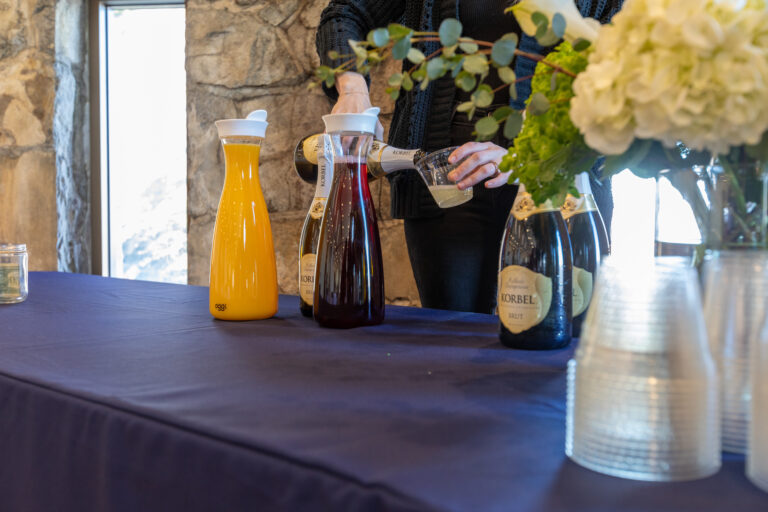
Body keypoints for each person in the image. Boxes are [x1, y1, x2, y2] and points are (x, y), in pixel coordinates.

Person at [316, 0, 623, 313]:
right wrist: (353, 89)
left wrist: (527, 158)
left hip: (561, 188)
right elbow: (346, 12)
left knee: (557, 341)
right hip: (447, 186)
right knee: (452, 345)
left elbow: (620, 80)